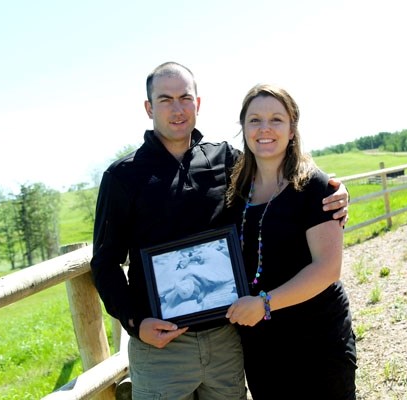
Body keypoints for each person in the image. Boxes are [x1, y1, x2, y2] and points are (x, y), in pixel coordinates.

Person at [90, 62, 349, 399]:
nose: (177, 108)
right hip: (163, 345)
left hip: (227, 336)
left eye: (185, 97)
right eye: (165, 99)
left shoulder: (227, 160)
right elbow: (105, 264)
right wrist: (136, 323)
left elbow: (279, 168)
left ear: (198, 104)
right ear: (149, 108)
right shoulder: (122, 177)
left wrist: (335, 190)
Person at [225, 84, 357, 399]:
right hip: (263, 344)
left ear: (292, 128)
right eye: (254, 120)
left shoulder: (316, 188)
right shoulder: (235, 192)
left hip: (318, 338)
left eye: (276, 119)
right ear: (243, 128)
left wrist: (264, 304)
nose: (264, 128)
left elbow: (327, 269)